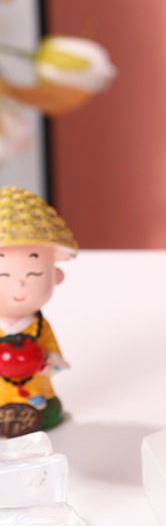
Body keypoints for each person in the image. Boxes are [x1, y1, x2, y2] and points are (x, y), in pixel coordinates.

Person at [0, 186, 78, 437]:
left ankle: (39, 406)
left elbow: (53, 351)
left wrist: (50, 361)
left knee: (40, 398)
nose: (19, 287)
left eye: (33, 274)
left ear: (56, 276)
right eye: (3, 276)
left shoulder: (39, 327)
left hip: (35, 387)